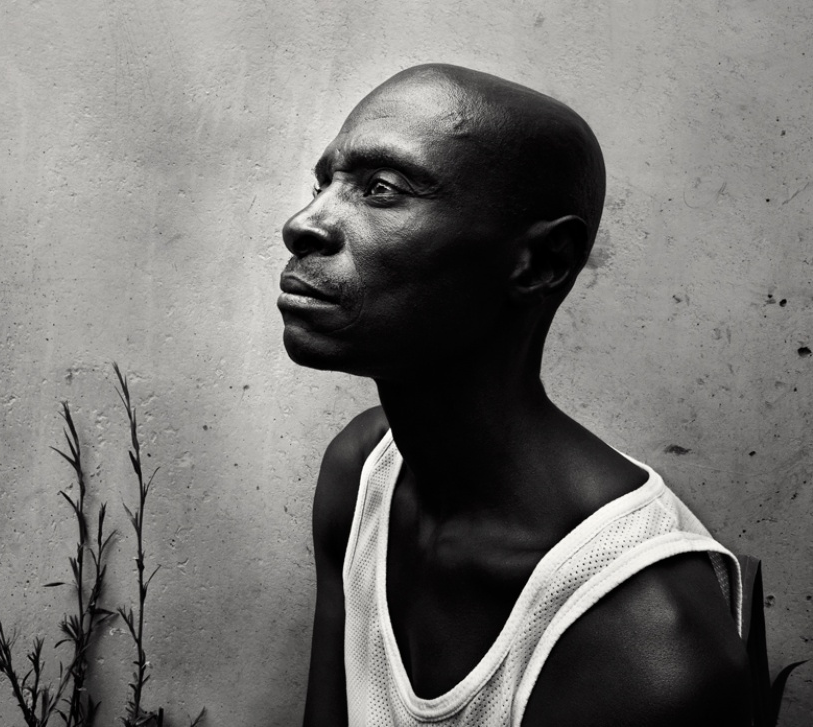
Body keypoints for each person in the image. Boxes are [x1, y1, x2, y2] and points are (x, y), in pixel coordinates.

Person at [276, 64, 750, 727]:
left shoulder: (644, 635)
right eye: (323, 184)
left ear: (541, 261)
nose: (303, 224)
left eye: (381, 189)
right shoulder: (361, 473)